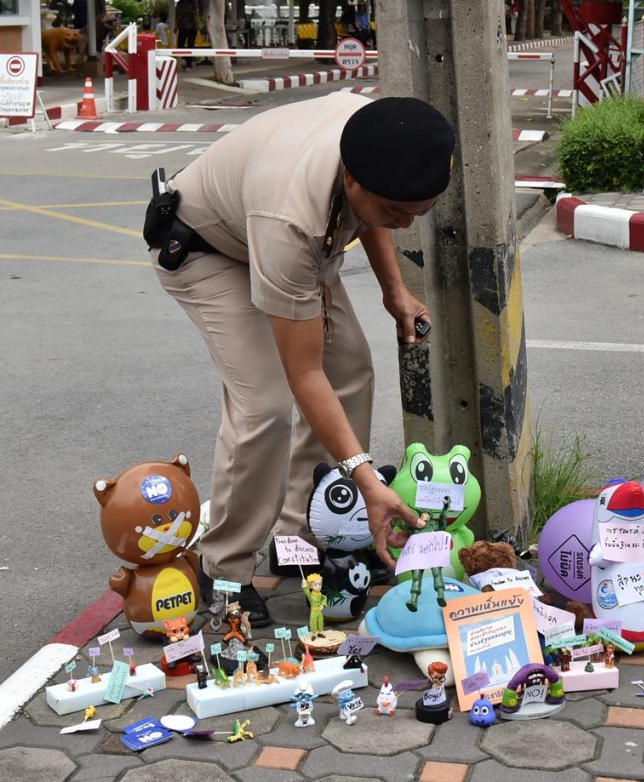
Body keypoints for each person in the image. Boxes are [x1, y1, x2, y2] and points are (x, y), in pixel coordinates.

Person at [147, 93, 456, 626]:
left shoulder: (381, 135)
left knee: (353, 368)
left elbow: (378, 210)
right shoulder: (292, 218)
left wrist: (395, 290)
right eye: (395, 212)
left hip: (291, 235)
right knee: (263, 405)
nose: (404, 225)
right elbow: (304, 373)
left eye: (418, 214)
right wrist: (367, 480)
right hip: (207, 249)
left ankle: (302, 535)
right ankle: (226, 570)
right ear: (354, 179)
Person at [176, 0, 199, 69]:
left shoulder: (193, 2)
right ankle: (185, 60)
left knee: (190, 45)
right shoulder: (179, 3)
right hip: (182, 27)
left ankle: (189, 64)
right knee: (180, 45)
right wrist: (176, 26)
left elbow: (196, 11)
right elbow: (176, 15)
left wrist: (185, 13)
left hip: (192, 27)